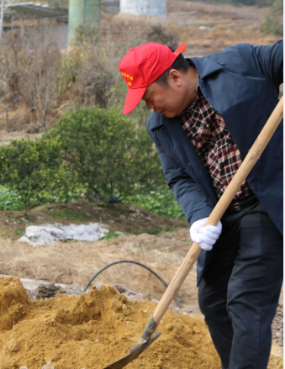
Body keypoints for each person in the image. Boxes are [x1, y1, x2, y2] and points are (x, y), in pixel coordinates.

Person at [118, 40, 282, 368]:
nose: (150, 108)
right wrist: (198, 217)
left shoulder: (239, 64)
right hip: (220, 216)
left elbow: (278, 55)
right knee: (214, 301)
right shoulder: (160, 126)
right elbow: (180, 178)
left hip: (264, 203)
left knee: (245, 298)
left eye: (150, 98)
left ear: (176, 78)